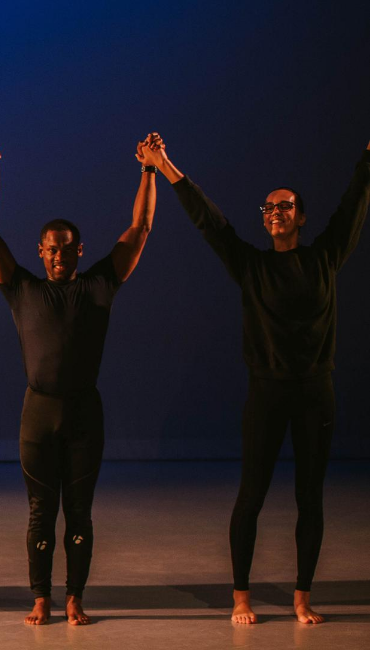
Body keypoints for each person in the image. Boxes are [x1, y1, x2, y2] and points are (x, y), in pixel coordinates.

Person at [142, 134, 370, 625]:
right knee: (252, 495)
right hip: (266, 393)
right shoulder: (252, 266)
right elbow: (211, 223)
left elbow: (353, 207)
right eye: (268, 207)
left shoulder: (323, 258)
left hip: (315, 394)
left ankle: (302, 597)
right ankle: (240, 596)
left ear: (301, 218)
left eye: (285, 206)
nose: (276, 212)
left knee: (311, 497)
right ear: (264, 219)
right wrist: (164, 166)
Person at [0, 138, 155, 625]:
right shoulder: (22, 289)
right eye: (51, 249)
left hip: (82, 415)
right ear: (40, 251)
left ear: (79, 250)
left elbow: (139, 229)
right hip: (39, 413)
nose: (58, 255)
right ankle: (41, 597)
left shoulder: (98, 286)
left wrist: (149, 171)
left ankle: (74, 596)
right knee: (40, 513)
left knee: (78, 512)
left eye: (67, 248)